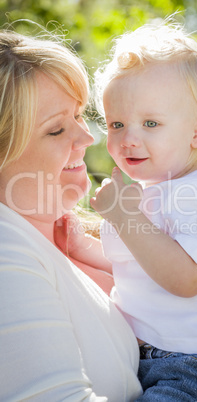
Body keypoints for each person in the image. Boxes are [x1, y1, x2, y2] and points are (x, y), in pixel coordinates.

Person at [63, 19, 197, 401]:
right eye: (117, 124)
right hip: (150, 359)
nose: (128, 138)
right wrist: (72, 241)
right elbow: (131, 267)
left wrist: (123, 215)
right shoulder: (144, 194)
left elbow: (186, 280)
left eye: (150, 123)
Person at [0, 26, 143, 401]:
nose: (86, 137)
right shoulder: (5, 251)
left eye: (79, 116)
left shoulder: (76, 242)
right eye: (57, 129)